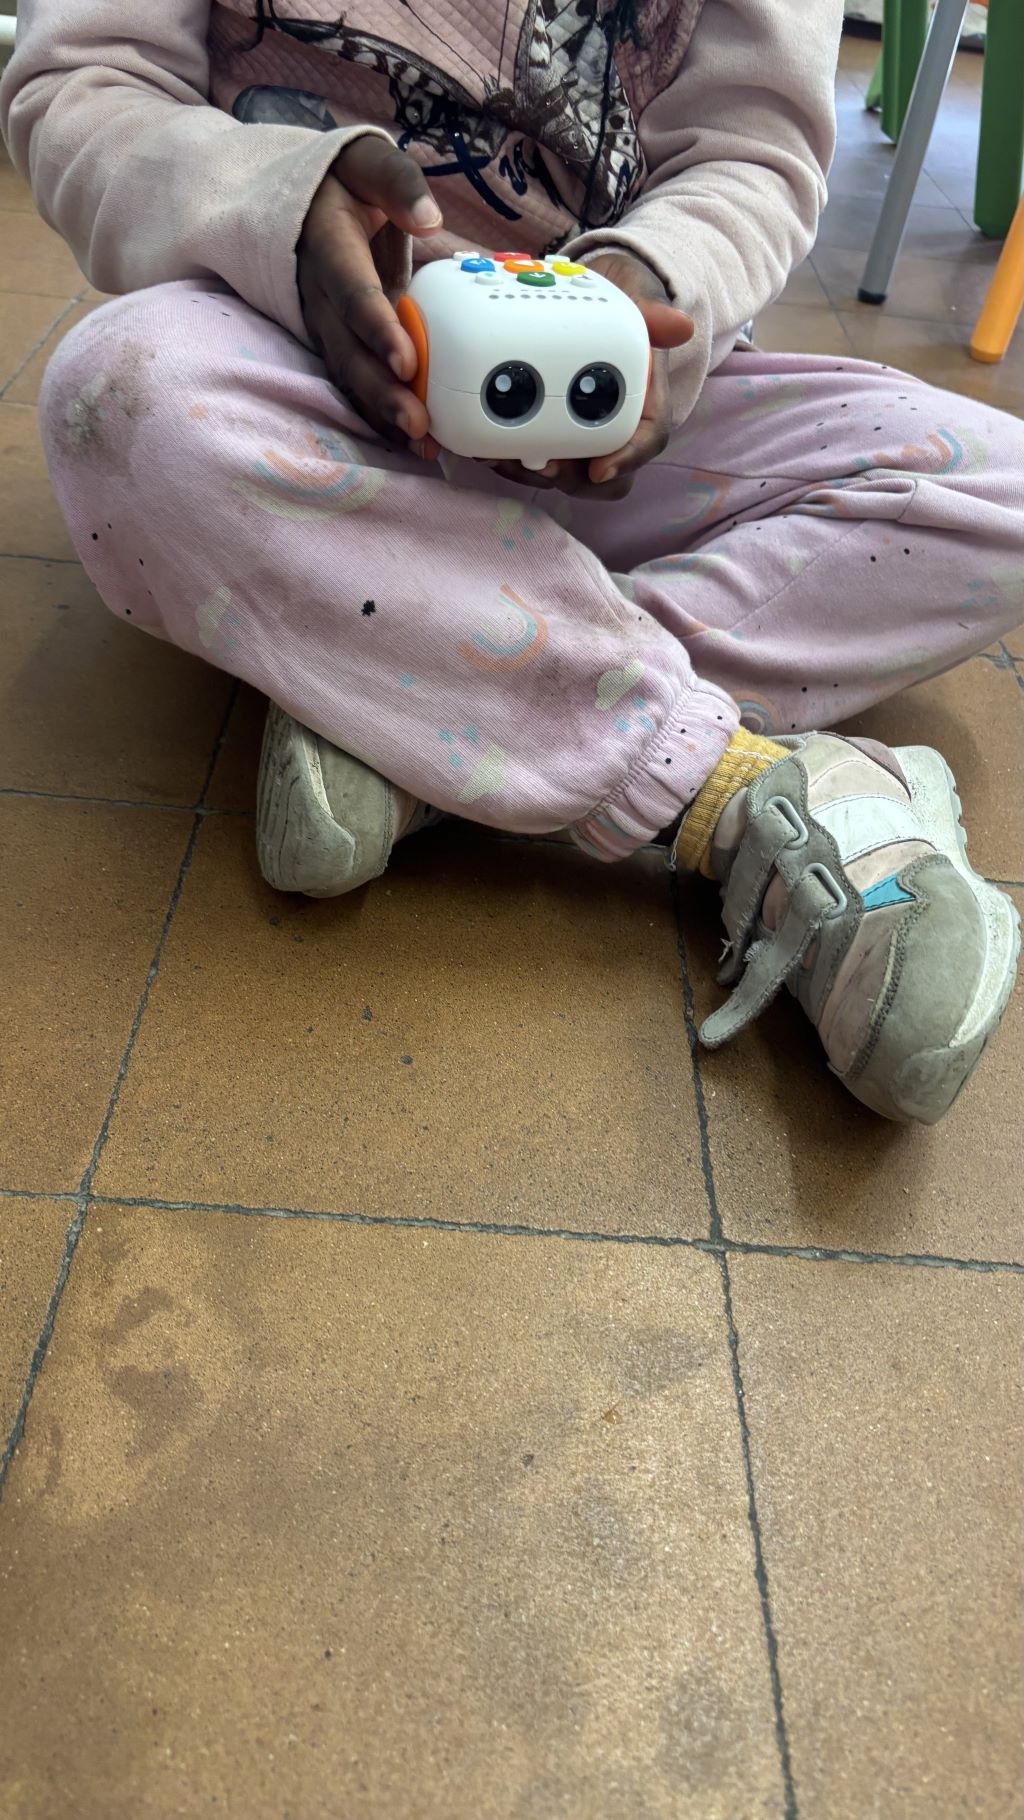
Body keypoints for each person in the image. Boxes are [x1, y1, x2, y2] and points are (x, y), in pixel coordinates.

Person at [2, 0, 1021, 1125]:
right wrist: (276, 207)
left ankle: (432, 697)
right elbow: (80, 85)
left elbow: (754, 155)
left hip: (621, 410)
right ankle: (731, 790)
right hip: (299, 383)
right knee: (122, 392)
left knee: (1002, 489)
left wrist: (652, 280)